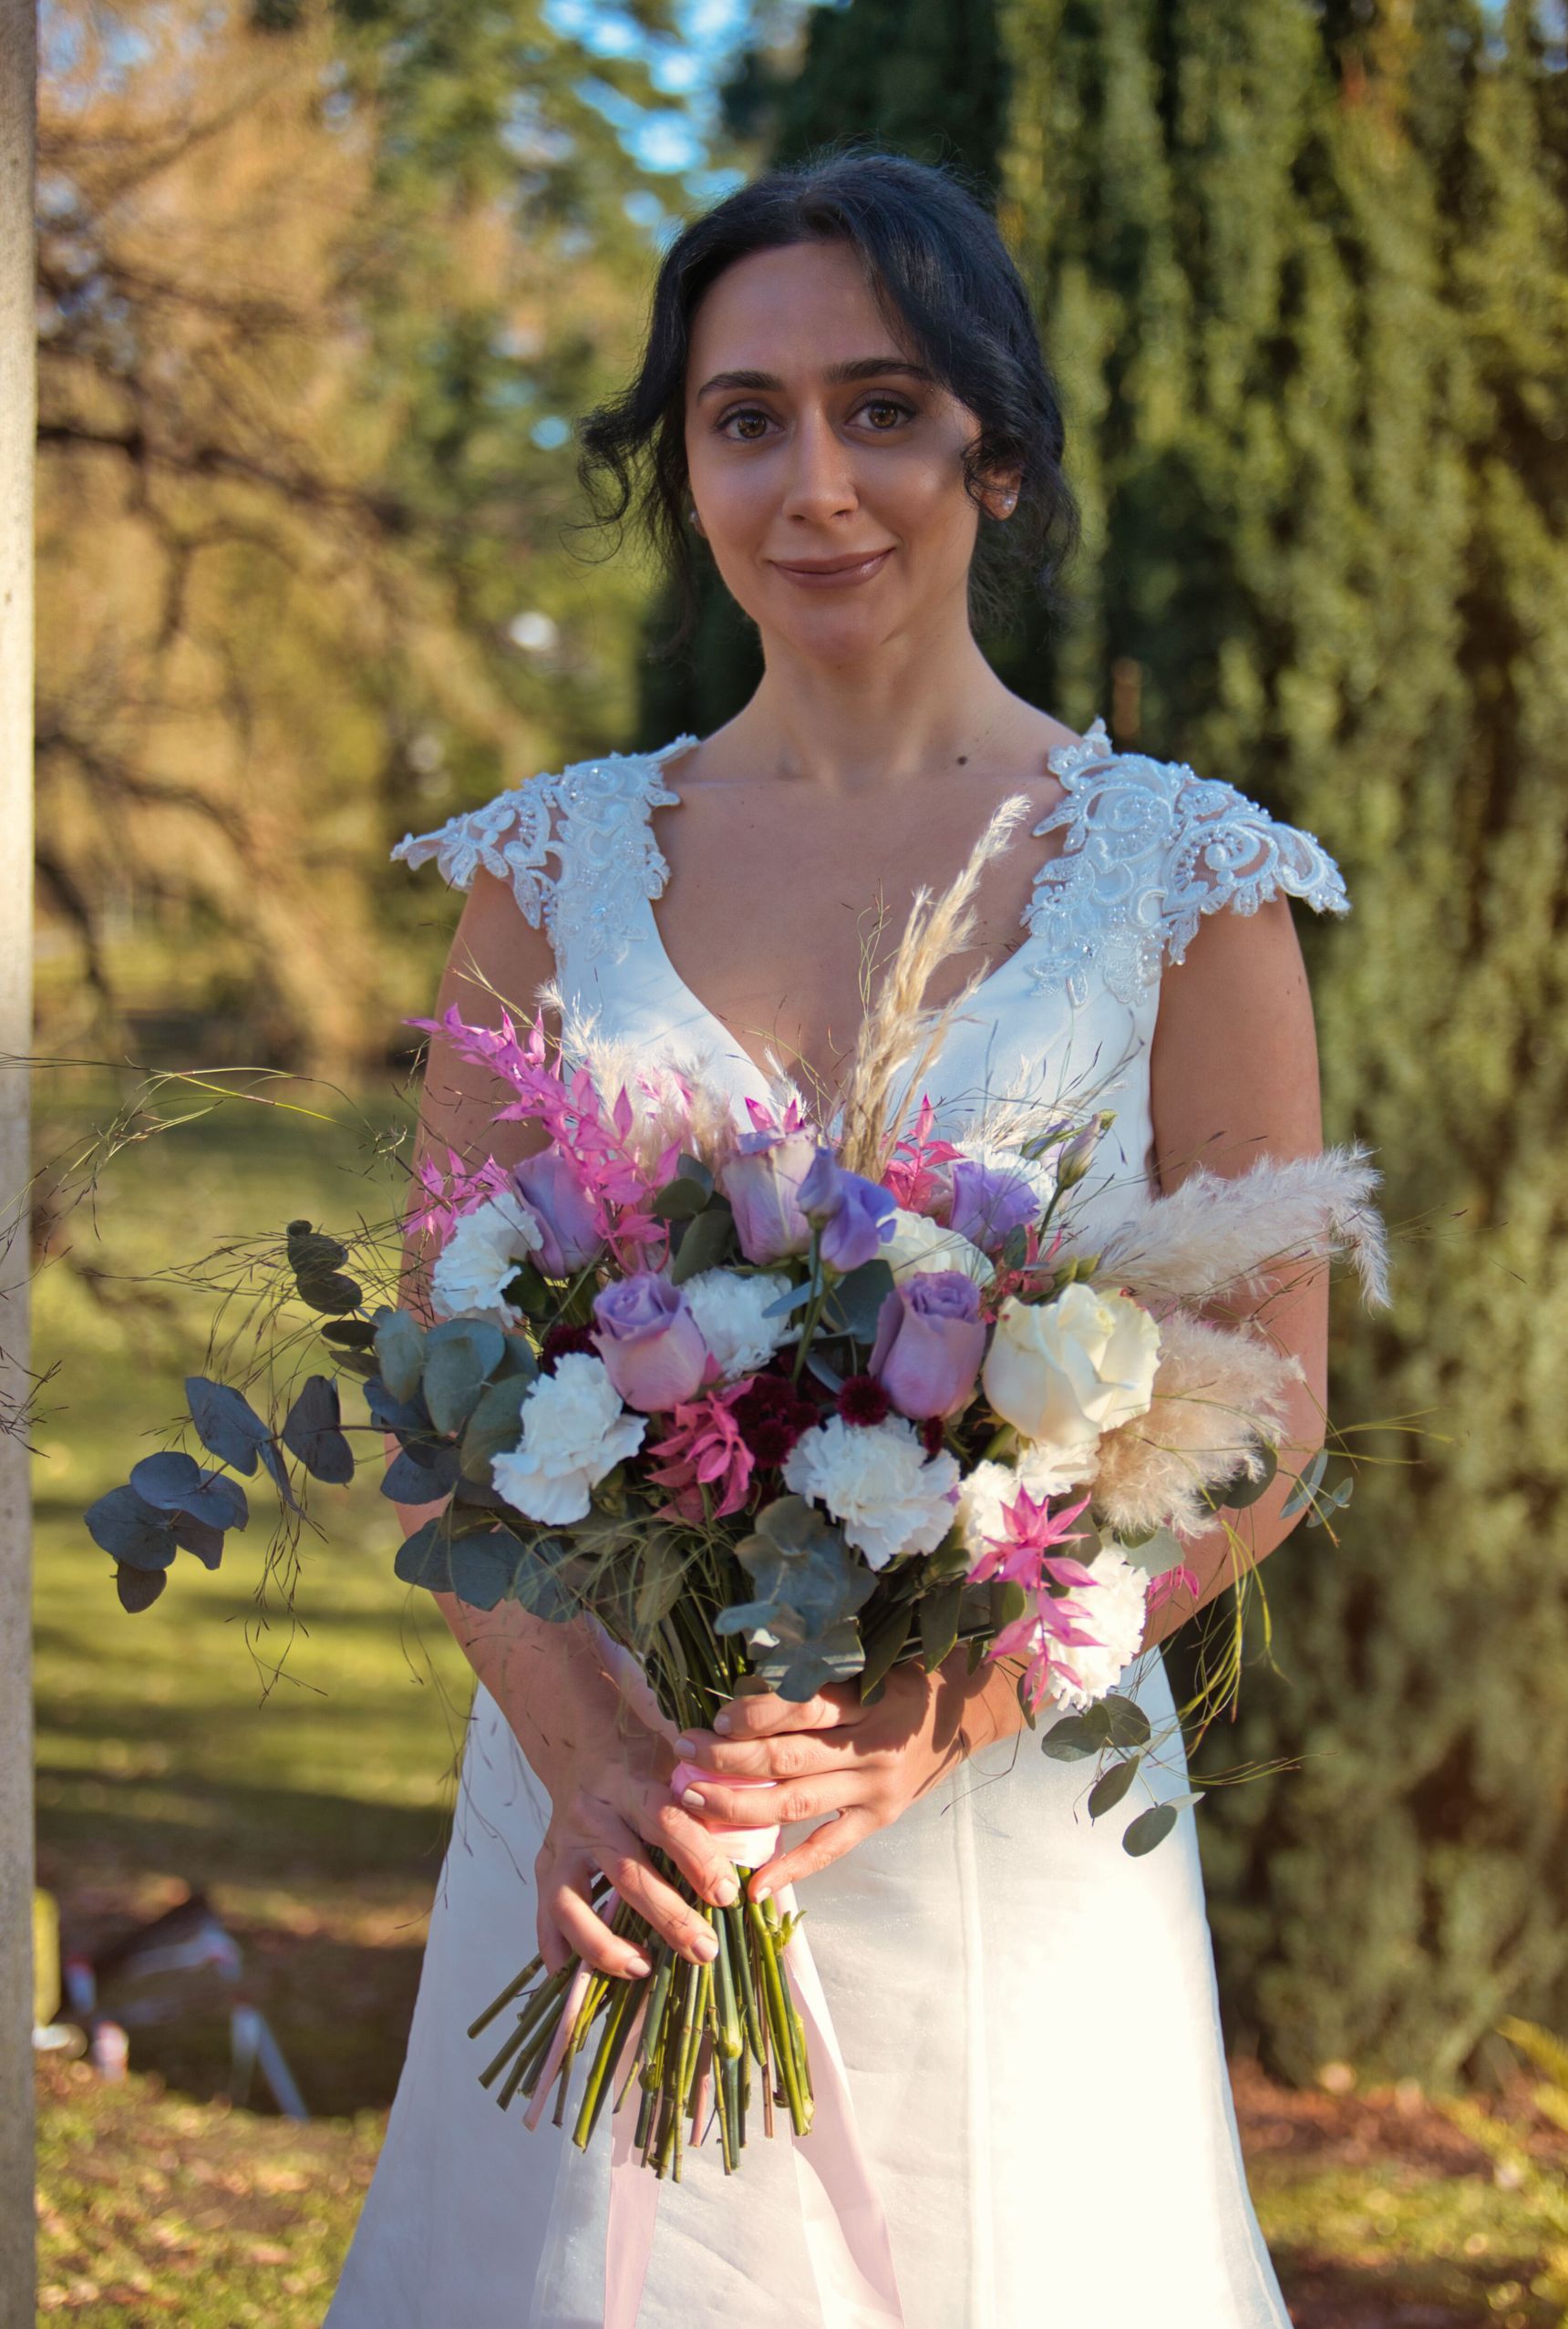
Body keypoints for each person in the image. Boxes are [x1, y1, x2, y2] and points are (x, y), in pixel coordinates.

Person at [327, 146, 1349, 2329]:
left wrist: (946, 1712)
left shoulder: (1185, 882)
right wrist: (594, 1758)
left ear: (997, 451)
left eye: (883, 409)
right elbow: (430, 1400)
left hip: (1002, 1842)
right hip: (612, 1839)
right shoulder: (546, 873)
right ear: (683, 466)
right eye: (745, 419)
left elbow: (1268, 1428)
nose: (815, 485)